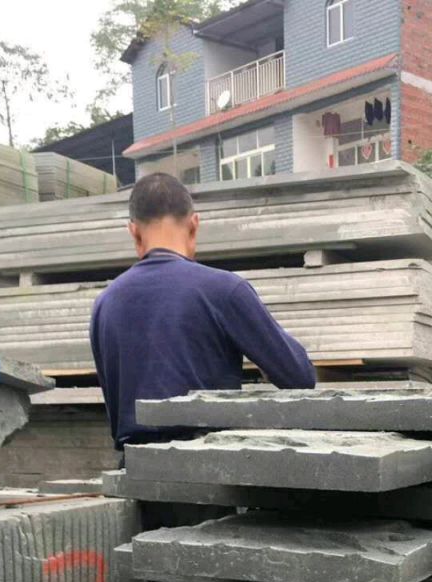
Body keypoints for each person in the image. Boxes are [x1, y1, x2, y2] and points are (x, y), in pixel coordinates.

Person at [90, 172, 316, 452]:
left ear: (133, 231)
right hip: (210, 468)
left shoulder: (105, 304)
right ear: (194, 225)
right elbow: (300, 377)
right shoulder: (224, 290)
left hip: (134, 469)